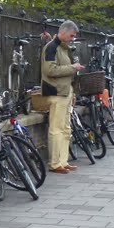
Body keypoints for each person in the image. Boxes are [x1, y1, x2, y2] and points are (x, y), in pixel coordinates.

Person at [41, 20, 85, 173]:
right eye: (72, 35)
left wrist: (72, 92)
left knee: (66, 128)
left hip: (65, 92)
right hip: (57, 93)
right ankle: (55, 164)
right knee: (56, 129)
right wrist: (72, 68)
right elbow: (50, 70)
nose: (73, 38)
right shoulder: (51, 48)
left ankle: (63, 161)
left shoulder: (63, 48)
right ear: (64, 32)